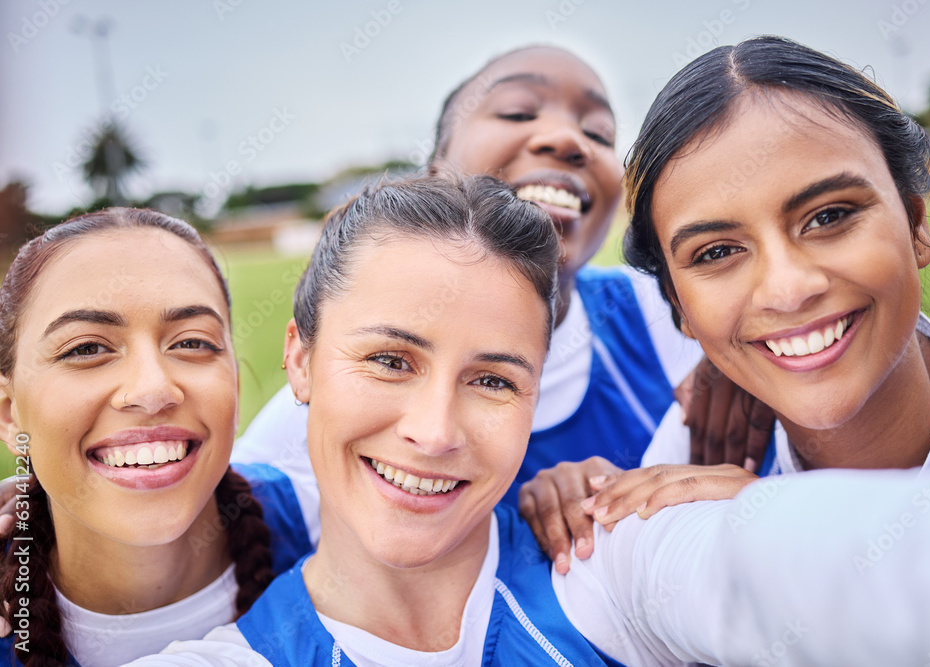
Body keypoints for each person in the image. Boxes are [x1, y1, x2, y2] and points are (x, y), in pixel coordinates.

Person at [125, 178, 930, 667]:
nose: (434, 430)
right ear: (301, 359)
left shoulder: (607, 564)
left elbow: (856, 569)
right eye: (391, 361)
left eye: (494, 380)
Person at [233, 46, 772, 547]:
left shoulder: (668, 319)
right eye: (517, 112)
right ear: (437, 171)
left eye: (600, 133)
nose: (567, 140)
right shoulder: (326, 404)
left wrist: (746, 365)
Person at [522, 32, 930, 558]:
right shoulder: (692, 460)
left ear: (915, 224)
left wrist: (791, 523)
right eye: (717, 252)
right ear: (680, 307)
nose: (787, 290)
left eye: (829, 216)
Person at [0, 209, 316, 666]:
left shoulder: (327, 524)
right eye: (87, 348)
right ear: (10, 414)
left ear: (236, 388)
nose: (152, 390)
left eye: (192, 342)